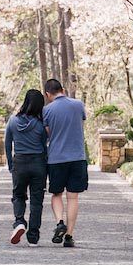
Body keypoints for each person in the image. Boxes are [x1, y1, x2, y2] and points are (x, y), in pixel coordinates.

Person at [42, 78, 87, 248]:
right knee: (73, 197)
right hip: (77, 158)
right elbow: (79, 124)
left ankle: (60, 221)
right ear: (63, 89)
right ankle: (69, 236)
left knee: (56, 194)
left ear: (48, 94)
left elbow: (48, 133)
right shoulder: (78, 105)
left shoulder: (46, 110)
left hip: (56, 159)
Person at [5, 89, 48, 246]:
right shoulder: (41, 124)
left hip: (20, 162)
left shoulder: (12, 121)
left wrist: (11, 164)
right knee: (37, 201)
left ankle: (19, 222)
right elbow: (44, 146)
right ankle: (33, 237)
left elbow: (7, 144)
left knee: (18, 195)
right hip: (38, 163)